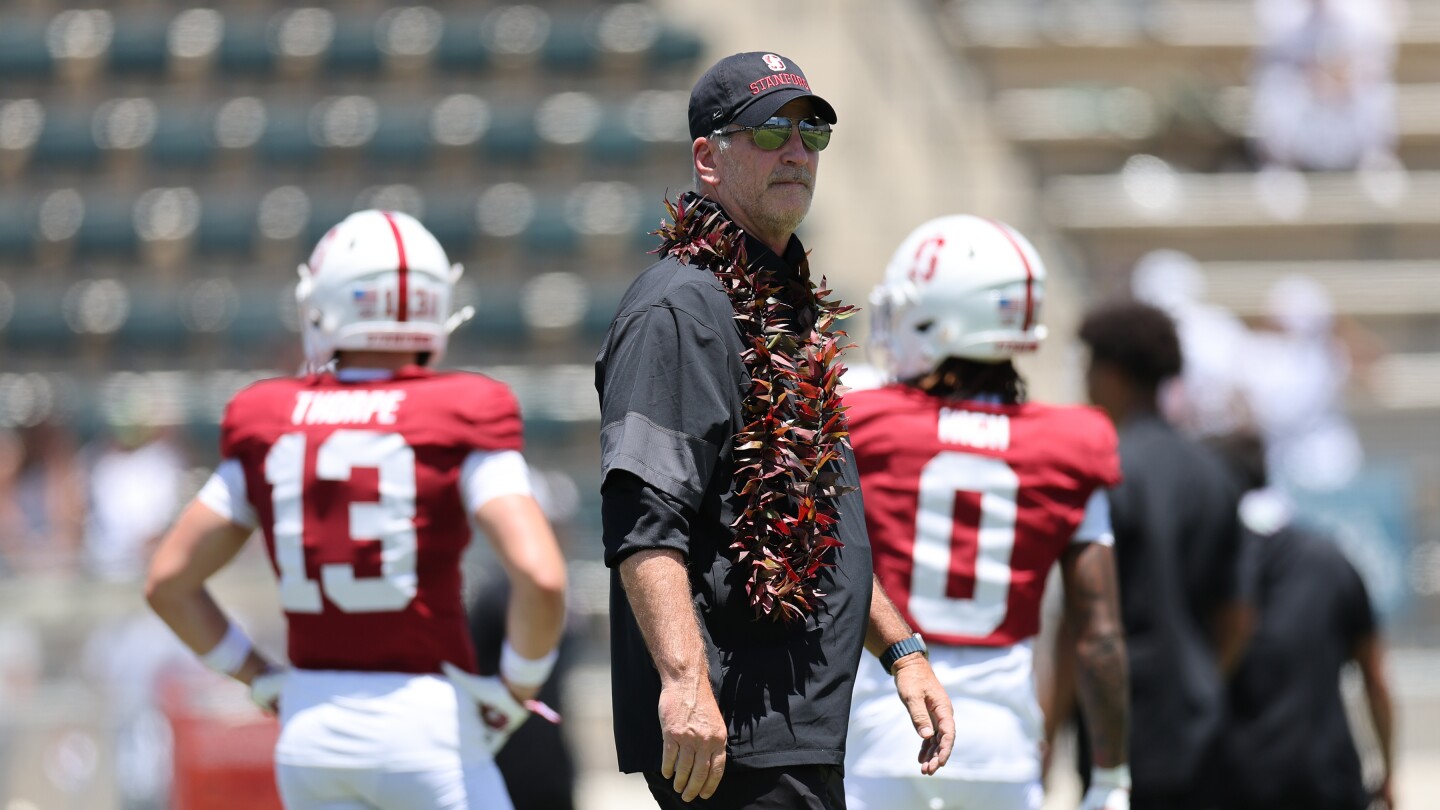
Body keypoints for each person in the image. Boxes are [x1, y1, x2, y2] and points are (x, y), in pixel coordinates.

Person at [595, 51, 955, 809]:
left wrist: (901, 648)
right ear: (708, 158)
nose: (795, 150)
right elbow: (641, 522)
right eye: (768, 132)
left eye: (811, 130)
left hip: (795, 725)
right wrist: (686, 685)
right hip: (734, 730)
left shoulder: (781, 306)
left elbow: (824, 518)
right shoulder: (681, 309)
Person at [146, 210, 568, 810]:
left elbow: (168, 581)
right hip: (427, 724)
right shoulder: (465, 407)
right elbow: (542, 576)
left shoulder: (267, 416)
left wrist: (260, 678)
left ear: (323, 303)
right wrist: (517, 689)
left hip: (310, 729)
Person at [844, 215, 1131, 810]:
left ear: (937, 318)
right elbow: (1098, 634)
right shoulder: (1073, 442)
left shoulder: (860, 419)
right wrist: (1110, 775)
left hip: (884, 730)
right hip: (1001, 747)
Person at [1060, 300, 1249, 809]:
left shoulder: (1103, 474)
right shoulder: (1216, 474)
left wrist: (1051, 723)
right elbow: (1238, 614)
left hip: (1116, 728)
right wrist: (1205, 680)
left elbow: (1080, 619)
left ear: (1113, 373)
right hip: (1201, 726)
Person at [1209, 433, 1395, 810]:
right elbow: (1375, 679)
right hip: (1326, 780)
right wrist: (1388, 772)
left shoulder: (1208, 567)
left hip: (1234, 781)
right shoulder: (1331, 560)